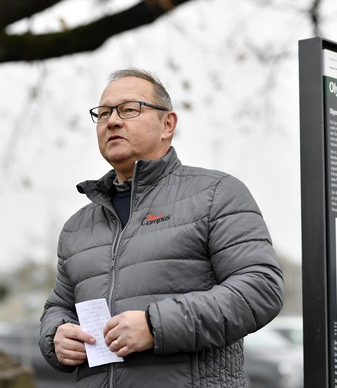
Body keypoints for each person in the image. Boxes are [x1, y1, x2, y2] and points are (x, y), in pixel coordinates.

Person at [38, 68, 284, 388]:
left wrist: (155, 326)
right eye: (103, 113)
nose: (112, 121)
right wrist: (56, 336)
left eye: (129, 109)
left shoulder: (216, 194)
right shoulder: (78, 227)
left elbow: (260, 288)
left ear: (167, 124)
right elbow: (58, 306)